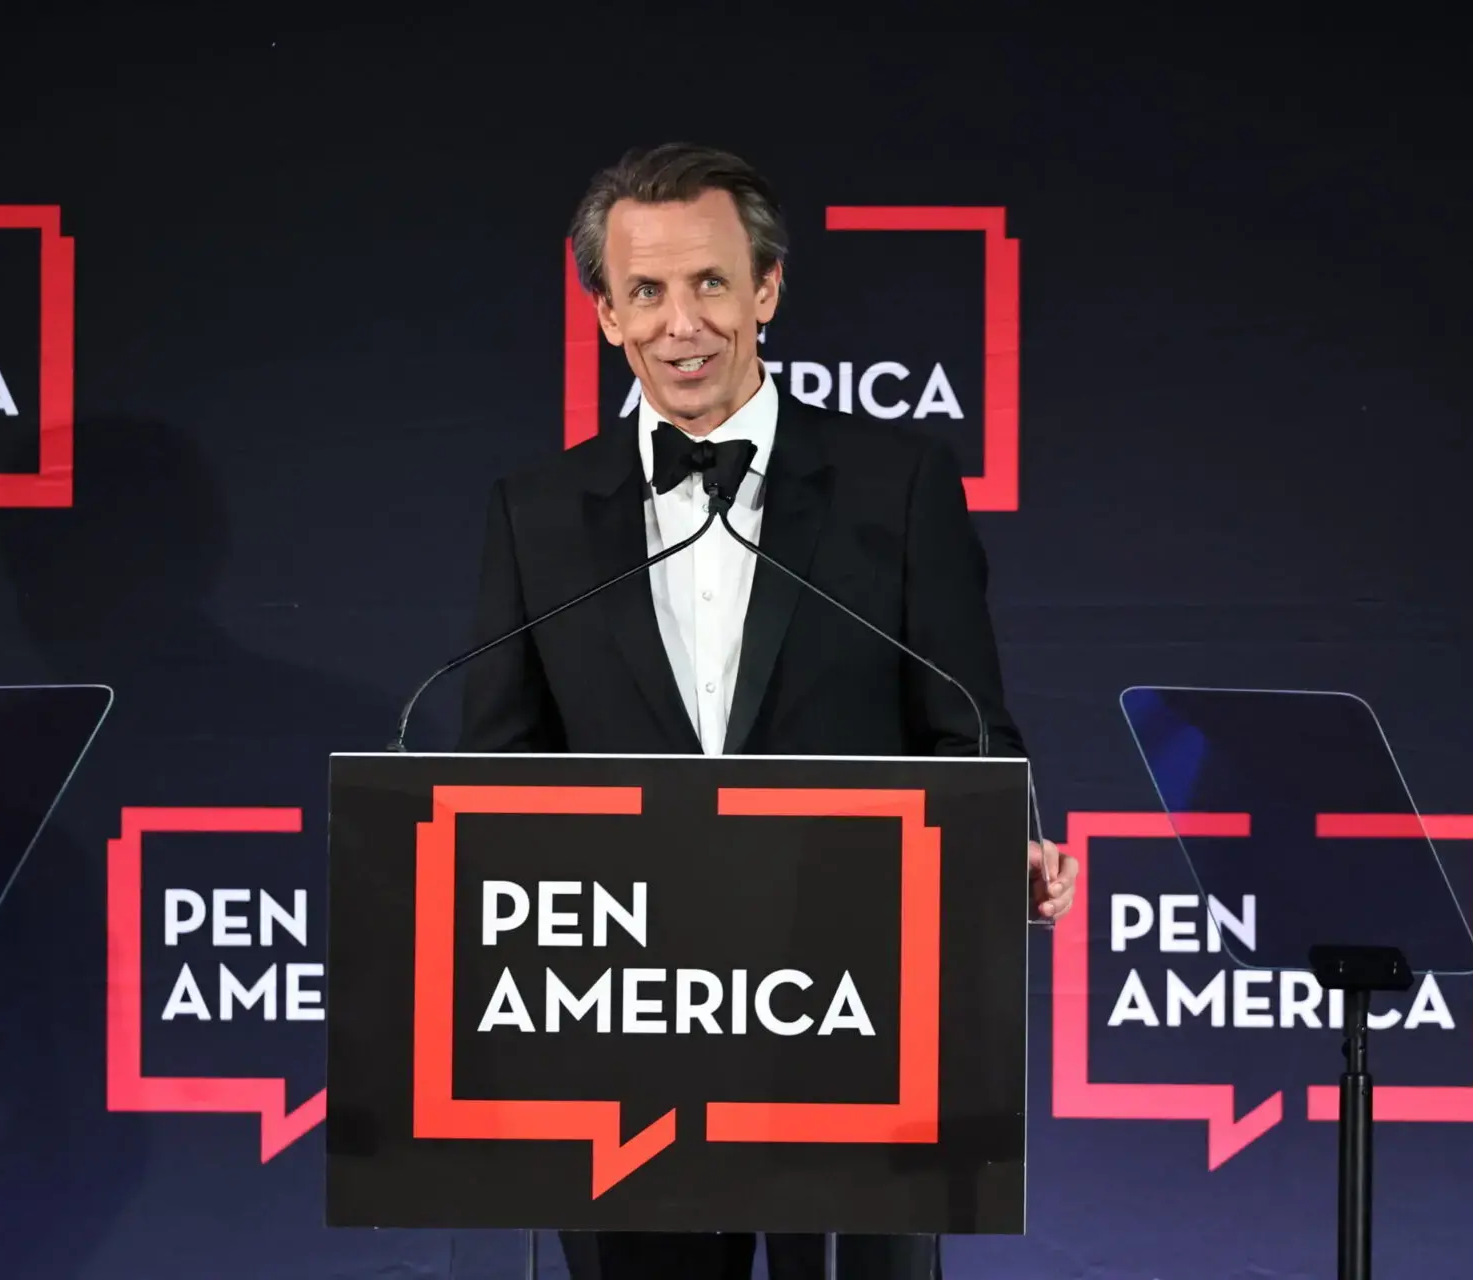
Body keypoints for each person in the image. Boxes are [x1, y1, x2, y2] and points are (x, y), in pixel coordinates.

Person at [459, 141, 1079, 1280]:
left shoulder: (893, 484)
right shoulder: (534, 513)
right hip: (620, 1032)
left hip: (859, 1013)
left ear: (768, 291)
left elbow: (968, 722)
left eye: (709, 282)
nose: (680, 321)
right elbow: (499, 768)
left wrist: (1004, 839)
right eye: (644, 290)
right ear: (603, 311)